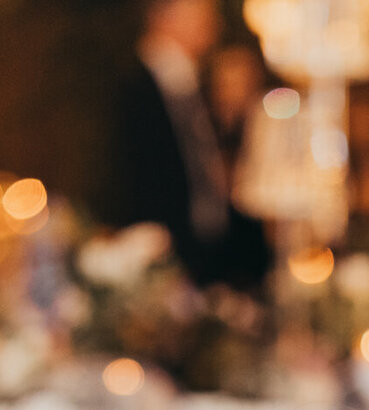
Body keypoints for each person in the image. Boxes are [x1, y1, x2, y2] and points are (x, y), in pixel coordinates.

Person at [109, 0, 267, 289]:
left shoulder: (193, 85)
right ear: (164, 14)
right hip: (166, 265)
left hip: (212, 258)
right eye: (202, 8)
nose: (214, 20)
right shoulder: (132, 88)